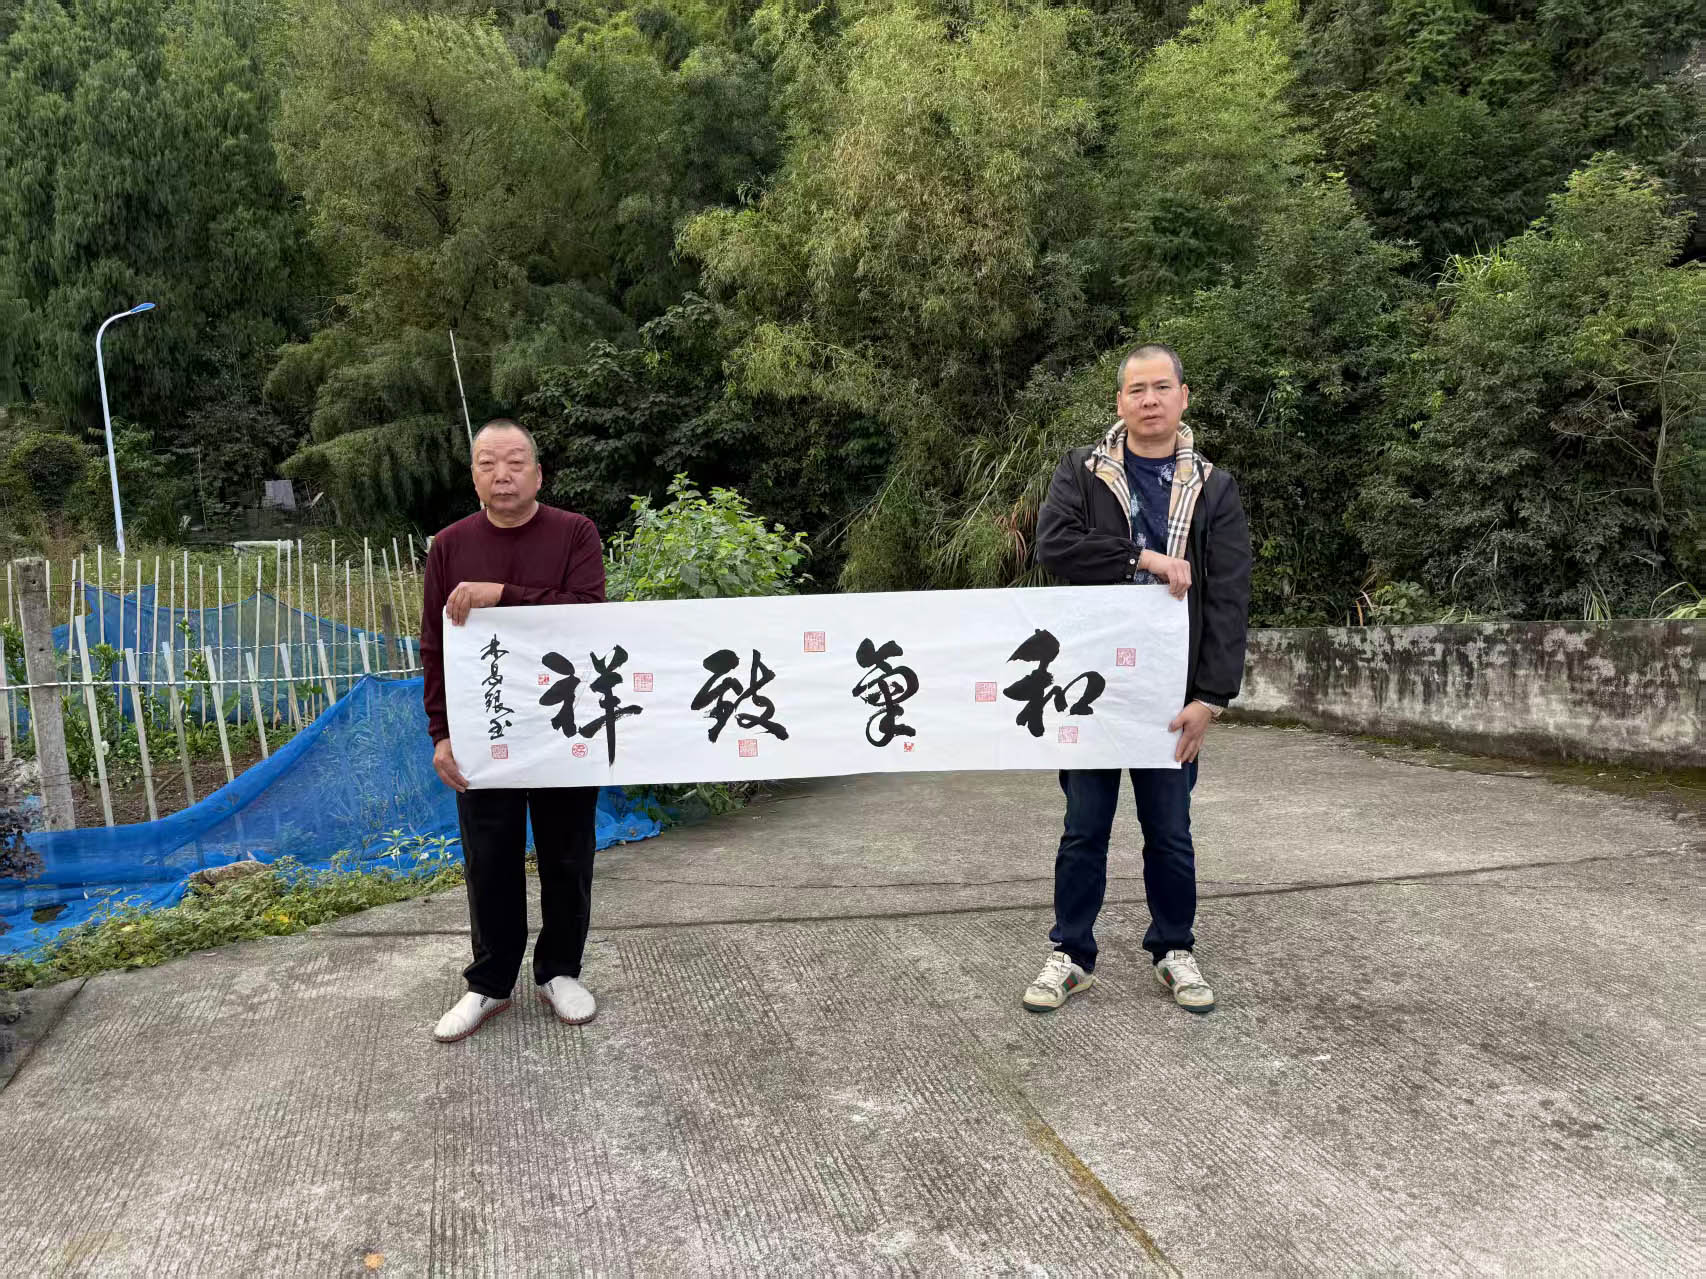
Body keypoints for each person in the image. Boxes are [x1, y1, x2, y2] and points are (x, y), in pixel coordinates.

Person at [1026, 343, 1251, 1015]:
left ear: (1183, 396)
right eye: (1136, 390)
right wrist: (1143, 558)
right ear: (1119, 401)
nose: (1149, 400)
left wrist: (1211, 697)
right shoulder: (1083, 471)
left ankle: (1174, 948)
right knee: (1083, 829)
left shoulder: (1213, 487)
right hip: (1090, 686)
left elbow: (1228, 597)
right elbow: (1054, 546)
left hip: (1171, 693)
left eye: (1161, 387)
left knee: (1170, 831)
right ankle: (1071, 953)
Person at [419, 419, 608, 1043]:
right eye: (487, 464)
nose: (502, 475)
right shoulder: (449, 546)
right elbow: (434, 645)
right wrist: (441, 733)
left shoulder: (575, 532)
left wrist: (502, 594)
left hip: (564, 723)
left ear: (538, 473)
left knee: (567, 854)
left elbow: (588, 613)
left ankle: (560, 972)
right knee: (489, 859)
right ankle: (490, 982)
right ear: (473, 476)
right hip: (484, 729)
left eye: (515, 462)